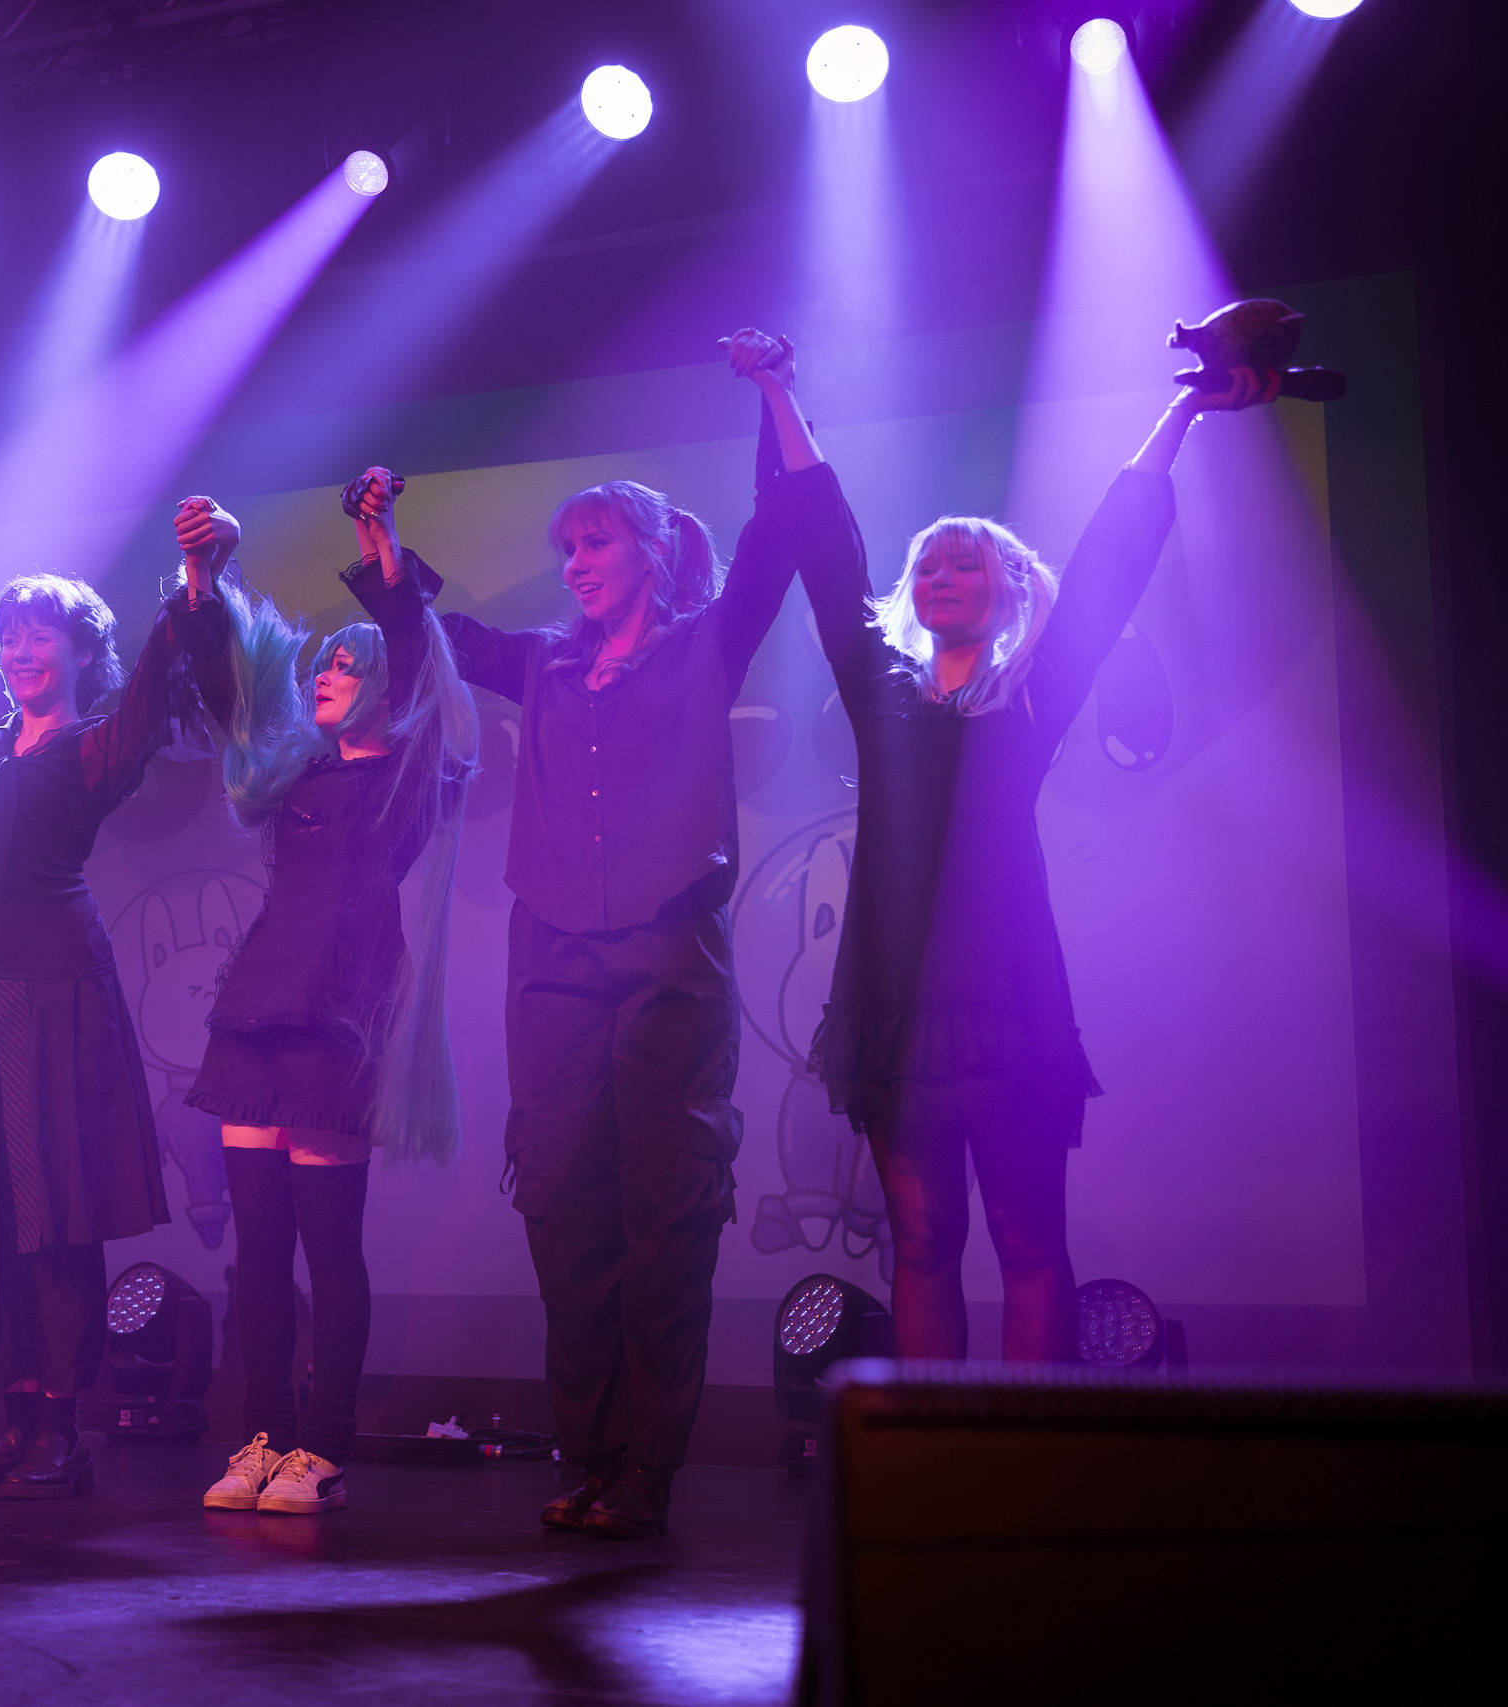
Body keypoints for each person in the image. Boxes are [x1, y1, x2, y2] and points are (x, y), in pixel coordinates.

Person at [759, 327, 1271, 1362]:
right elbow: (827, 550)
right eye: (928, 564)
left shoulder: (1033, 694)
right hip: (891, 999)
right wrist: (775, 386)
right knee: (920, 1242)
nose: (942, 575)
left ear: (1005, 589)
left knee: (1029, 1240)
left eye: (966, 562)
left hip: (1006, 996)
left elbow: (1111, 562)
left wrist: (1181, 411)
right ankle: (931, 1445)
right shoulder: (878, 689)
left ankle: (1031, 1444)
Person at [409, 378, 801, 1538]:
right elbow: (437, 638)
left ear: (651, 551)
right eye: (566, 548)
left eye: (594, 543)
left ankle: (644, 1467)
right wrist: (381, 546)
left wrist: (773, 396)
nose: (574, 564)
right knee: (564, 1205)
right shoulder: (543, 662)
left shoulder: (705, 645)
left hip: (668, 953)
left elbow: (774, 539)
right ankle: (584, 1452)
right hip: (553, 957)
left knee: (664, 1216)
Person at [0, 428, 227, 1500]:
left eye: (41, 638)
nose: (20, 651)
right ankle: (16, 1418)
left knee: (51, 1217)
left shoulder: (94, 748)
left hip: (50, 997)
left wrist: (197, 569)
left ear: (80, 653)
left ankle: (61, 1431)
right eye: (13, 638)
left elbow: (165, 670)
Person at [173, 480, 477, 1517]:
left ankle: (324, 1448)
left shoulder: (414, 776)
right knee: (258, 1250)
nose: (327, 677)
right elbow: (225, 681)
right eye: (324, 665)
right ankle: (261, 1438)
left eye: (348, 666)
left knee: (328, 1246)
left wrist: (379, 544)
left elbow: (423, 652)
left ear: (385, 685)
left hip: (339, 1014)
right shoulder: (294, 773)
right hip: (255, 1009)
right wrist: (204, 573)